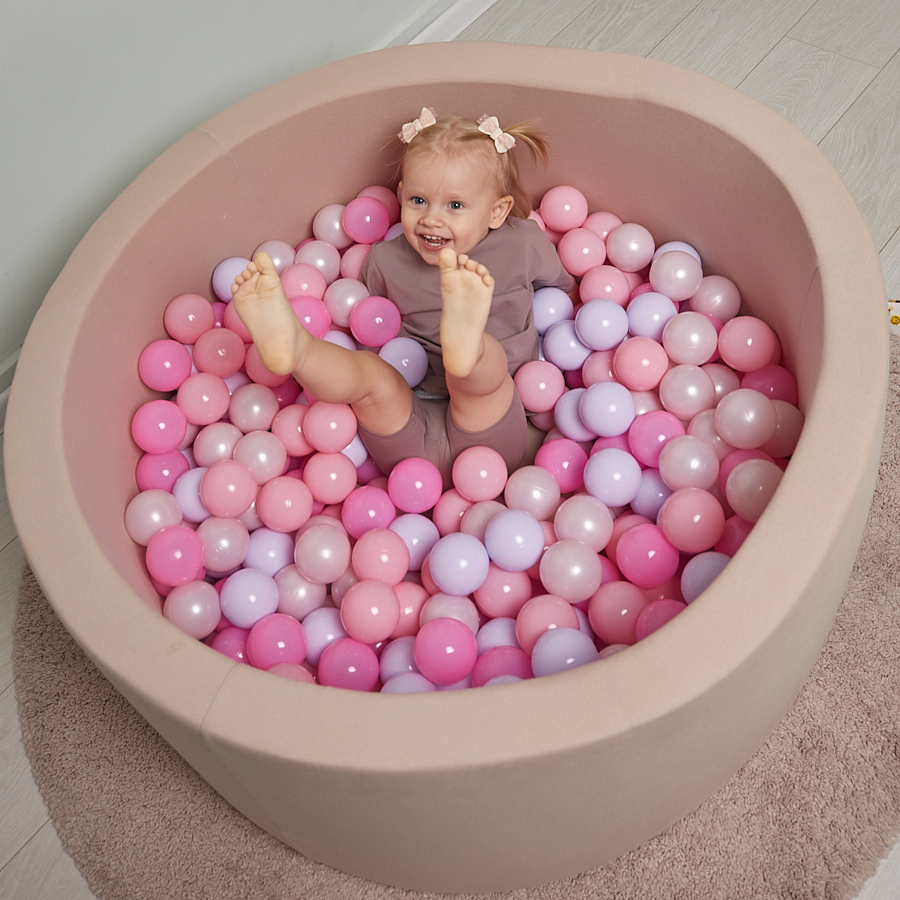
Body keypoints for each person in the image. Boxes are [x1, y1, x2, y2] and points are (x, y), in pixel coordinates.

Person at [231, 108, 575, 487]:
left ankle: (460, 351)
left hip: (450, 429)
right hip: (445, 429)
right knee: (384, 375)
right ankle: (298, 349)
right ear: (401, 195)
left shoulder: (519, 242)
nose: (431, 219)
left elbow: (560, 295)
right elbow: (563, 289)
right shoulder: (388, 259)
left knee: (416, 381)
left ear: (497, 211)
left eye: (455, 206)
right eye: (418, 200)